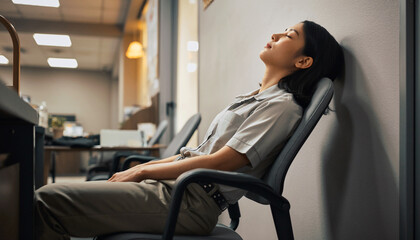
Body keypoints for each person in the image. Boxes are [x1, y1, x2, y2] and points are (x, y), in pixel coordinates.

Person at [35, 20, 344, 240]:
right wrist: (145, 168)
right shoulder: (253, 98)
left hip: (189, 203)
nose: (276, 34)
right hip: (178, 191)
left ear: (303, 61)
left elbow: (223, 161)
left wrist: (143, 173)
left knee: (47, 200)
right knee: (46, 199)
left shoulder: (282, 106)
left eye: (289, 35)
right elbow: (193, 154)